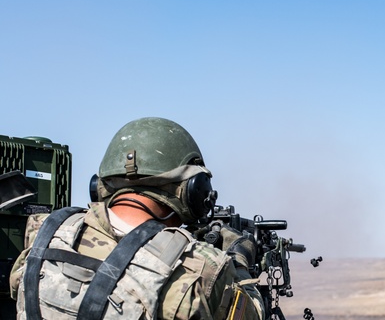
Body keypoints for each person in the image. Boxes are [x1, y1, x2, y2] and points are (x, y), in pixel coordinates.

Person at [10, 117, 265, 320]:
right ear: (193, 191)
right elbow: (253, 312)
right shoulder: (201, 268)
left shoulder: (45, 232)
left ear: (101, 186)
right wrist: (238, 260)